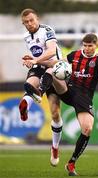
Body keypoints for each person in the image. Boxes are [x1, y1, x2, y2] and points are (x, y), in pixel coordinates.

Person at [52, 33, 98, 176]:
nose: (87, 48)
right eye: (85, 45)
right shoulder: (75, 55)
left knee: (87, 128)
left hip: (83, 97)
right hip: (68, 90)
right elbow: (59, 62)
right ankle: (36, 91)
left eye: (90, 45)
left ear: (96, 45)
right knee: (53, 72)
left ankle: (71, 163)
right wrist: (38, 61)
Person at [19, 8, 63, 166]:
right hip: (40, 66)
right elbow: (36, 55)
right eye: (26, 22)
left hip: (55, 67)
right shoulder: (26, 37)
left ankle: (55, 147)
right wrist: (30, 59)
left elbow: (51, 51)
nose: (29, 24)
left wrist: (36, 60)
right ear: (23, 24)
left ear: (37, 18)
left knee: (55, 113)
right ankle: (25, 107)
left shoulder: (47, 30)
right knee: (29, 85)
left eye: (31, 20)